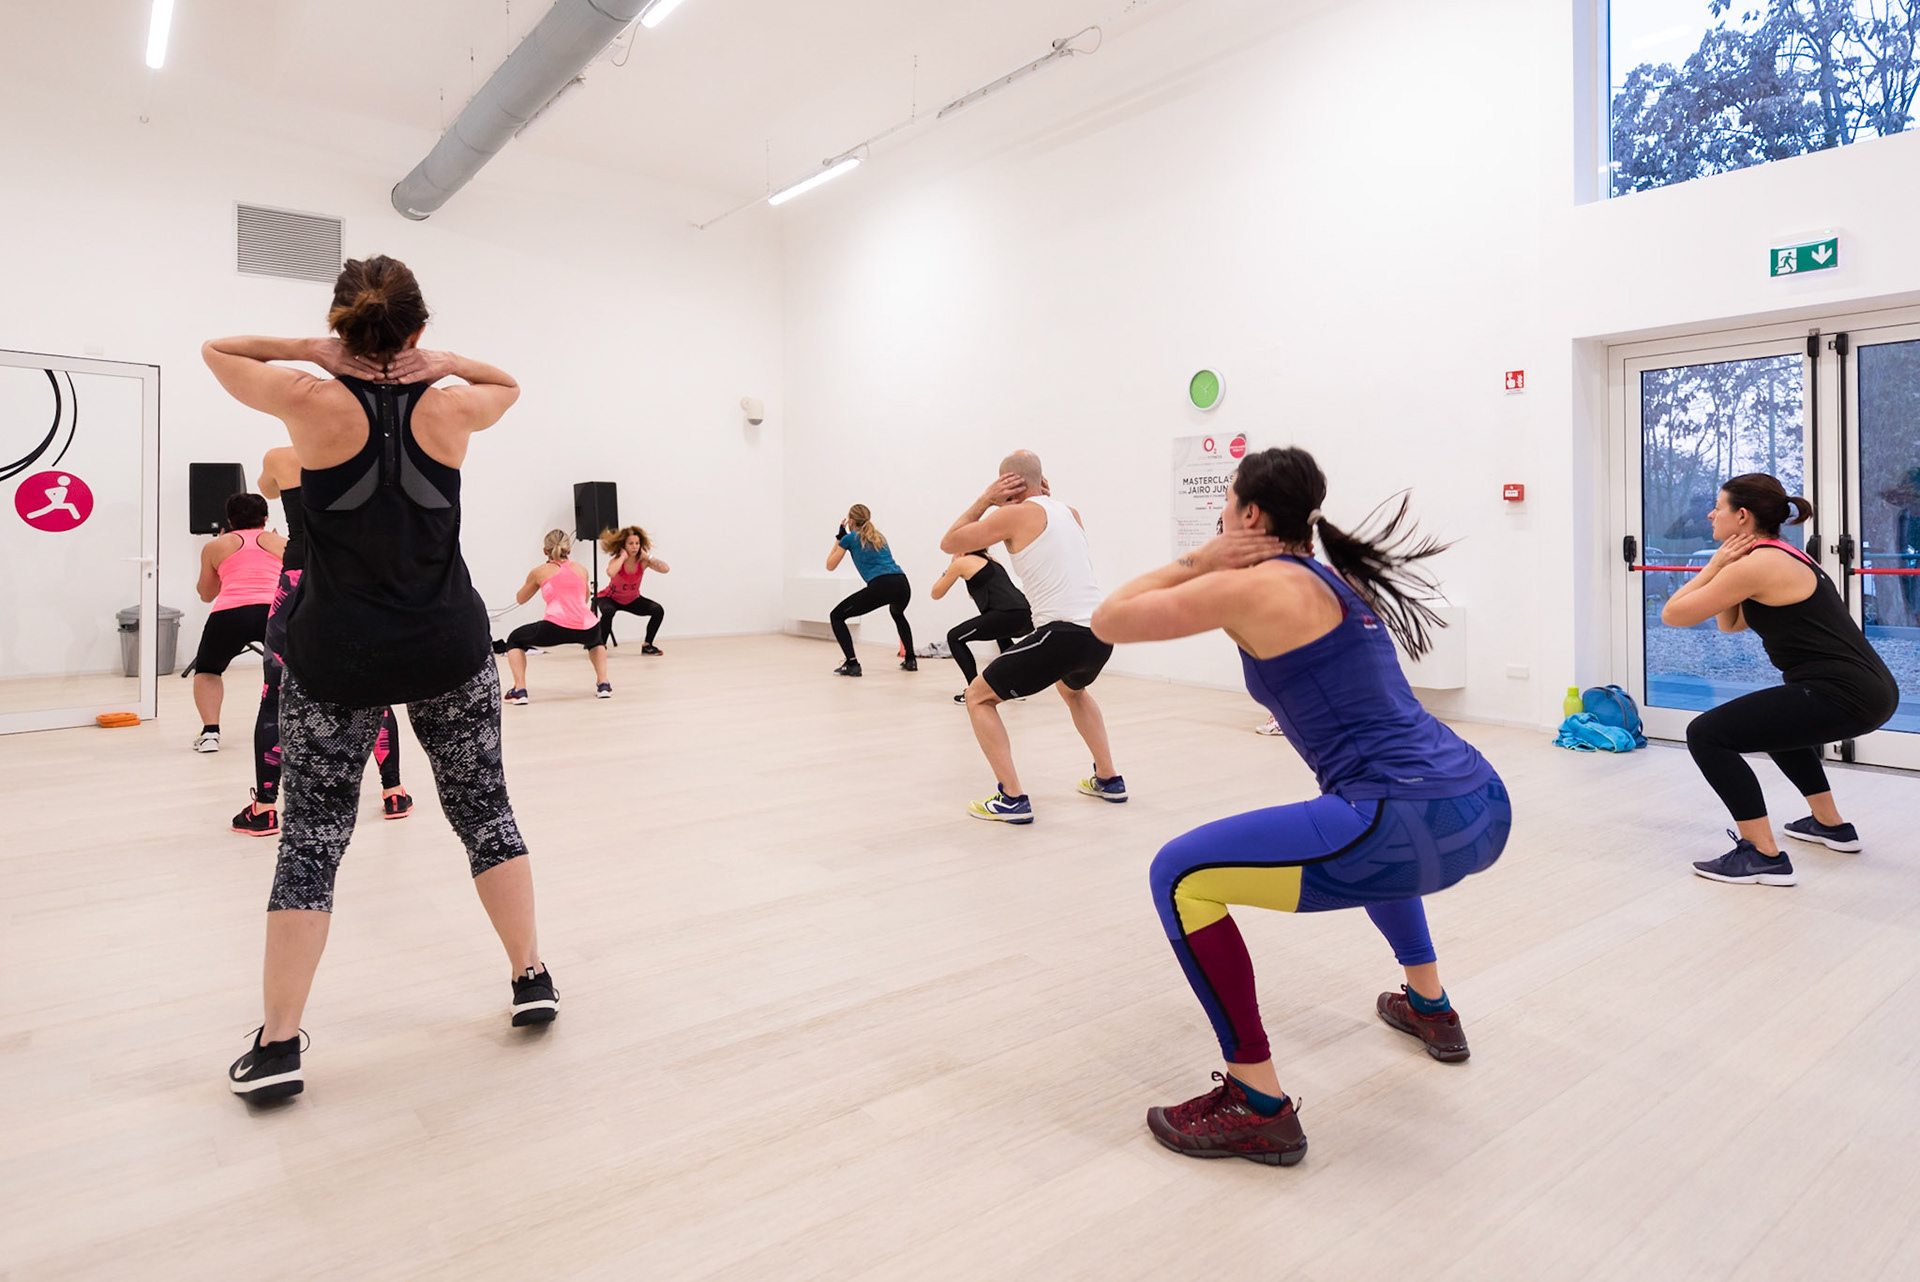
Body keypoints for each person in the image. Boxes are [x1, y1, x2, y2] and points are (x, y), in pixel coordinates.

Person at [203, 253, 557, 1103]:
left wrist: (313, 351)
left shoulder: (307, 398)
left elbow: (218, 350)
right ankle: (530, 976)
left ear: (339, 324)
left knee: (312, 841)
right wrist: (443, 362)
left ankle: (279, 1046)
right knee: (486, 813)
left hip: (336, 656)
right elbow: (509, 384)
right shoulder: (453, 403)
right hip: (449, 646)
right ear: (418, 328)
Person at [1092, 446, 1508, 1167]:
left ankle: (1256, 1105)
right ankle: (1429, 1006)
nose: (1223, 509)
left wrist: (1203, 557)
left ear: (1250, 513)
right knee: (1360, 830)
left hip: (1397, 818)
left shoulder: (1253, 586)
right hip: (1480, 803)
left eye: (1229, 499)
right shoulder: (1340, 579)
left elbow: (1109, 620)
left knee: (1179, 876)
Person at [1661, 473, 1899, 886]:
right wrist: (1727, 571)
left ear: (1742, 516)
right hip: (1867, 689)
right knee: (1774, 725)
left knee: (1706, 734)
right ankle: (1831, 825)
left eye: (1718, 507)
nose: (1710, 514)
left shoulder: (1758, 564)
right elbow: (1731, 625)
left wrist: (1715, 566)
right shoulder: (1780, 554)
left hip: (1843, 693)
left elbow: (1673, 615)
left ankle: (1762, 855)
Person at [233, 446, 410, 839]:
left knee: (274, 695)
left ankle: (264, 808)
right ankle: (394, 792)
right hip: (357, 584)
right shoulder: (372, 455)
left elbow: (267, 490)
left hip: (299, 581)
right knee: (374, 692)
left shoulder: (281, 456)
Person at [938, 451, 1124, 821]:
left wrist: (986, 500)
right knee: (1073, 691)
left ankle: (1012, 798)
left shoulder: (1012, 514)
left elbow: (950, 542)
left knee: (977, 697)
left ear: (1007, 484)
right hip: (1101, 633)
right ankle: (1109, 779)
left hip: (1063, 634)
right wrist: (1030, 495)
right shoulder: (1070, 513)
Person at [189, 493, 286, 752]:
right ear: (265, 518)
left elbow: (206, 594)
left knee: (208, 671)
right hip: (274, 611)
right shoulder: (282, 543)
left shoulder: (216, 546)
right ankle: (289, 732)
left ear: (230, 520)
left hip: (230, 613)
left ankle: (210, 734)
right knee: (292, 672)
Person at [502, 530, 612, 703]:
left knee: (514, 639)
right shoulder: (581, 570)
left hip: (555, 627)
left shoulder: (539, 571)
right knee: (596, 642)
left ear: (545, 551)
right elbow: (584, 599)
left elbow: (521, 599)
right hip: (589, 627)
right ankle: (603, 685)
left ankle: (519, 690)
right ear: (569, 550)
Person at [930, 548, 1033, 705]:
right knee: (1001, 634)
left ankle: (974, 690)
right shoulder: (992, 560)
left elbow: (936, 593)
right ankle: (1013, 687)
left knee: (954, 637)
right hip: (1026, 614)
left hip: (1005, 613)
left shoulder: (961, 563)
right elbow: (974, 595)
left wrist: (951, 567)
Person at [825, 504, 915, 677]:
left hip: (882, 585)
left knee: (836, 616)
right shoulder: (879, 536)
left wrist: (839, 538)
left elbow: (830, 565)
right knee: (898, 614)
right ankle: (910, 660)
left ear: (851, 521)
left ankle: (852, 664)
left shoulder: (848, 539)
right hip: (902, 583)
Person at [595, 524, 670, 654]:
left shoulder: (643, 562)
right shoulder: (617, 561)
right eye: (631, 543)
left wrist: (649, 557)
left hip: (632, 600)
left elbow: (665, 569)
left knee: (658, 610)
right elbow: (611, 572)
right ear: (623, 545)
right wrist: (622, 557)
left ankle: (647, 645)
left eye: (637, 543)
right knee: (608, 611)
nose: (634, 547)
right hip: (610, 598)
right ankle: (600, 646)